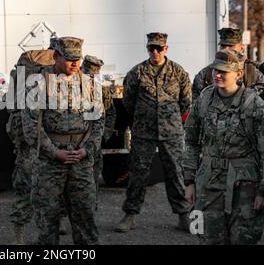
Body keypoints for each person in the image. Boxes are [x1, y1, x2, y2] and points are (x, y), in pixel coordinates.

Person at [22, 36, 104, 245]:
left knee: (85, 216)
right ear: (56, 56)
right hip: (50, 161)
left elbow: (98, 122)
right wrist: (54, 152)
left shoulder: (89, 84)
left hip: (81, 160)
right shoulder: (39, 84)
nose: (75, 64)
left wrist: (87, 149)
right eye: (69, 59)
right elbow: (31, 126)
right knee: (47, 218)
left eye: (78, 58)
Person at [184, 49, 264, 244]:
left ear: (238, 74)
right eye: (215, 70)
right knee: (207, 237)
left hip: (244, 186)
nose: (217, 75)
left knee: (243, 238)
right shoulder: (204, 98)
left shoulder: (254, 104)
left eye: (223, 72)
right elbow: (191, 141)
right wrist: (189, 182)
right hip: (209, 183)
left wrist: (262, 191)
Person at [116, 32, 191, 233]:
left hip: (171, 132)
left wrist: (170, 119)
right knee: (138, 174)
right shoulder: (137, 73)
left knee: (175, 172)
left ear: (166, 48)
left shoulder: (178, 72)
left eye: (159, 48)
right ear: (147, 48)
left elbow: (186, 102)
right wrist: (144, 117)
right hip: (144, 133)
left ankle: (183, 215)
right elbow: (128, 102)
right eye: (151, 48)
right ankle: (130, 215)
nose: (155, 51)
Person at [81, 55, 117, 203]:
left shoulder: (102, 91)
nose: (89, 77)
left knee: (93, 174)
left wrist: (104, 134)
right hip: (75, 139)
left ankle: (91, 205)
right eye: (87, 73)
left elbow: (110, 113)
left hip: (93, 140)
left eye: (93, 75)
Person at [192, 27, 264, 101]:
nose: (226, 49)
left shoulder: (254, 72)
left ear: (242, 47)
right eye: (223, 45)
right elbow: (196, 104)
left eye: (231, 46)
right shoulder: (205, 74)